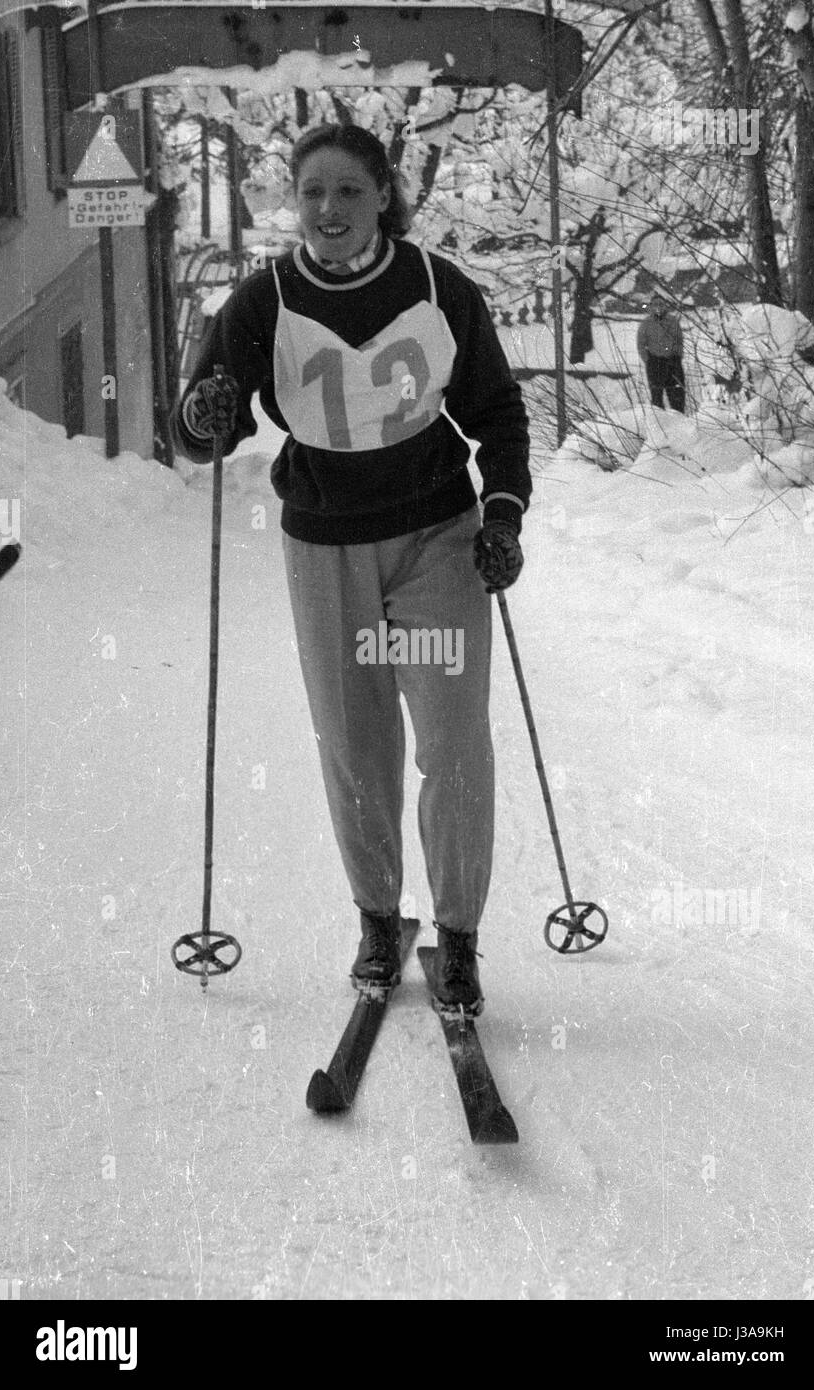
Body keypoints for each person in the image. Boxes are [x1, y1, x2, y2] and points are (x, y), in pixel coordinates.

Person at [171, 123, 531, 1017]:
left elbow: (499, 412)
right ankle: (378, 917)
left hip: (436, 537)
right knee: (355, 743)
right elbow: (200, 431)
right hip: (325, 543)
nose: (328, 211)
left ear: (383, 196)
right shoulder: (263, 302)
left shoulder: (440, 288)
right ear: (296, 203)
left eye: (348, 192)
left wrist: (503, 513)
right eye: (313, 193)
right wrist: (206, 409)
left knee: (453, 740)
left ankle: (457, 939)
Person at [637, 292, 685, 411]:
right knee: (657, 400)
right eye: (655, 304)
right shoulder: (646, 324)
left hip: (673, 363)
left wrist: (677, 356)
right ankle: (660, 426)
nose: (658, 307)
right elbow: (641, 344)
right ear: (651, 307)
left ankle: (679, 424)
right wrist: (648, 360)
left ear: (665, 306)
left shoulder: (673, 321)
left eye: (661, 304)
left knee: (677, 398)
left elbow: (680, 340)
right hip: (655, 364)